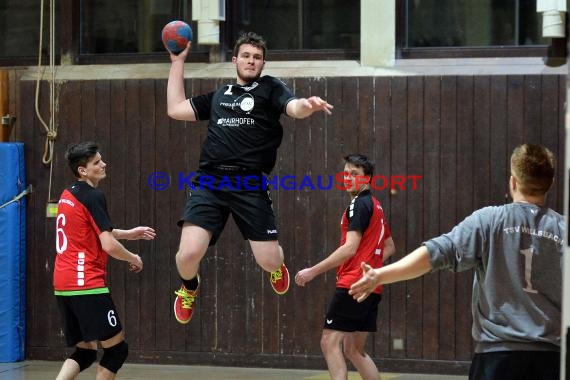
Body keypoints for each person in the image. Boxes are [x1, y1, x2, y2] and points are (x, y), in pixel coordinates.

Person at [350, 144, 563, 380]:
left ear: (513, 182)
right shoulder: (563, 230)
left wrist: (380, 275)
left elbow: (435, 253)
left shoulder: (488, 220)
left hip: (496, 358)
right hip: (552, 360)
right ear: (550, 184)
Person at [166, 31, 333, 324]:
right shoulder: (220, 95)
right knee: (187, 254)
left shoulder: (270, 89)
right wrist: (178, 61)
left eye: (257, 57)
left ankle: (278, 266)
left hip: (249, 184)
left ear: (263, 63)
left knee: (268, 261)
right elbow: (175, 109)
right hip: (210, 182)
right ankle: (189, 287)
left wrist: (308, 105)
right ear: (235, 60)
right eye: (246, 55)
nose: (251, 61)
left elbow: (294, 108)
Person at [53, 142, 156, 380]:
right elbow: (107, 244)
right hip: (86, 283)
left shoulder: (68, 193)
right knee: (116, 350)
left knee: (85, 352)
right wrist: (134, 258)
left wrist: (128, 234)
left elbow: (88, 232)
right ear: (83, 170)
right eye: (97, 162)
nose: (103, 164)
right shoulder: (93, 195)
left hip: (63, 284)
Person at [295, 154, 395, 380]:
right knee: (354, 350)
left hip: (352, 285)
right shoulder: (375, 206)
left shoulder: (358, 204)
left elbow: (349, 248)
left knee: (329, 342)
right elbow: (389, 246)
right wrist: (370, 270)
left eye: (355, 174)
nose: (348, 178)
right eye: (346, 173)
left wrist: (313, 271)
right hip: (370, 286)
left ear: (367, 178)